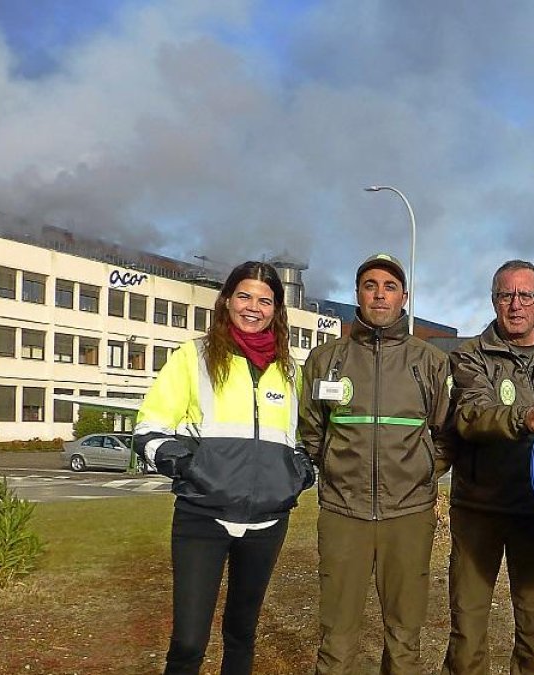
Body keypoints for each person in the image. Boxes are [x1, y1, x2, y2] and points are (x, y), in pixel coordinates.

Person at [134, 261, 315, 675]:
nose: (254, 307)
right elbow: (148, 430)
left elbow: (304, 437)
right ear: (227, 300)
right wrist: (193, 466)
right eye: (245, 296)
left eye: (265, 300)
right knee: (188, 642)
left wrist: (299, 473)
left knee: (241, 633)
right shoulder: (193, 357)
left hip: (267, 523)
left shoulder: (289, 370)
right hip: (203, 517)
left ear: (277, 309)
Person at [300, 253, 451, 674]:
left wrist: (420, 472)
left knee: (405, 637)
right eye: (370, 285)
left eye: (389, 287)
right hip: (342, 512)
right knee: (336, 636)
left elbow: (446, 434)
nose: (379, 294)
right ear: (357, 295)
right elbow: (311, 429)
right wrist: (332, 467)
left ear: (404, 296)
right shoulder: (325, 360)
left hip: (409, 514)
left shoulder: (430, 362)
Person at [442, 260, 534, 675]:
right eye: (506, 295)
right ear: (494, 301)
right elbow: (472, 414)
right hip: (479, 509)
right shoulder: (469, 355)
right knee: (467, 630)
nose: (515, 305)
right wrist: (523, 417)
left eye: (525, 295)